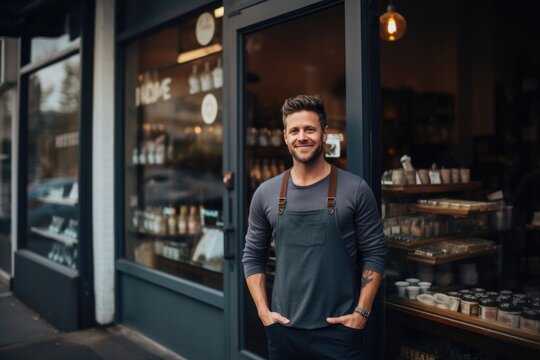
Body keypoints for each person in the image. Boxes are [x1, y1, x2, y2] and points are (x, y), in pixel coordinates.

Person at [242, 95, 387, 359]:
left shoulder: (355, 189)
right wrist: (264, 312)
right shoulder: (266, 193)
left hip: (339, 334)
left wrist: (361, 314)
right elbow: (252, 256)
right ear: (285, 137)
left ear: (324, 134)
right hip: (284, 332)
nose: (302, 137)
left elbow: (375, 254)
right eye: (294, 131)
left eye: (309, 129)